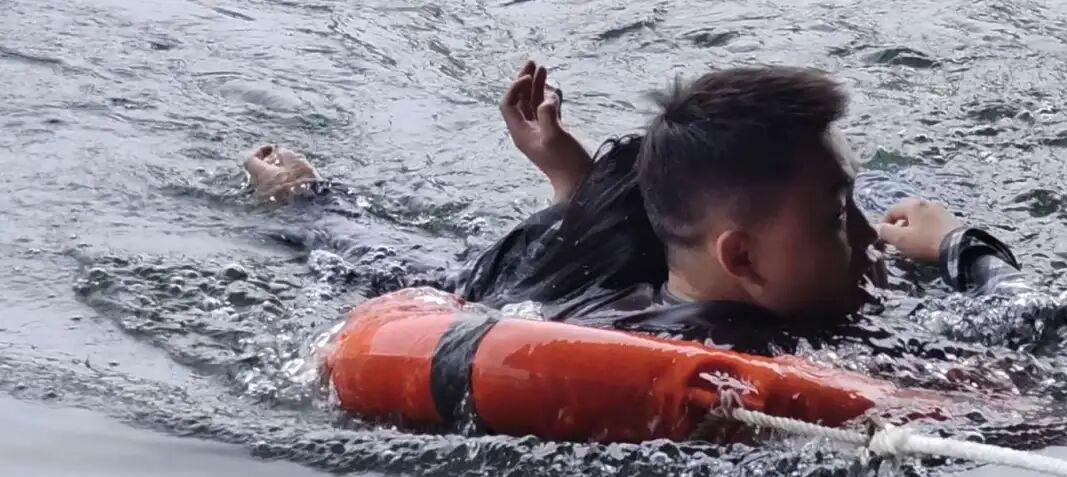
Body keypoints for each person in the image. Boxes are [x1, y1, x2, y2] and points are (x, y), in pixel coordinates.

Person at [242, 62, 1023, 354]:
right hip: (501, 290)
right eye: (834, 217)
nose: (866, 232)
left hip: (581, 266)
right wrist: (965, 246)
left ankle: (311, 199)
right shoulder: (758, 346)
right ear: (742, 258)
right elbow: (1042, 361)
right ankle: (305, 200)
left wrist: (570, 179)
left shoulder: (641, 291)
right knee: (392, 260)